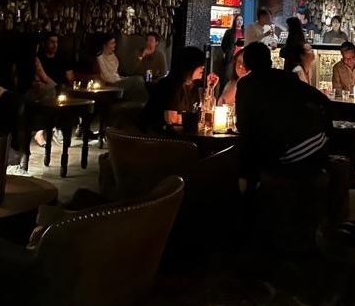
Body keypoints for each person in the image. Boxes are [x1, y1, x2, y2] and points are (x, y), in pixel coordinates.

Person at [235, 41, 332, 186]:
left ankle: (249, 196)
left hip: (289, 152)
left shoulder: (246, 84)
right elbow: (322, 99)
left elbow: (243, 125)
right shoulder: (287, 77)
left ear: (247, 64)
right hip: (317, 143)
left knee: (248, 151)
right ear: (269, 61)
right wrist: (327, 130)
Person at [138, 46, 219, 133]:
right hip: (156, 137)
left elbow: (203, 112)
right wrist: (192, 119)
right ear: (188, 65)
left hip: (180, 136)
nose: (202, 67)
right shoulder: (170, 85)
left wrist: (210, 88)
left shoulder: (195, 85)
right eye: (199, 64)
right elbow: (170, 119)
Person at [95, 34, 147, 103]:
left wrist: (123, 78)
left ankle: (140, 103)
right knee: (137, 79)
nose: (115, 45)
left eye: (114, 43)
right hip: (111, 83)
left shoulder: (113, 56)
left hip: (118, 80)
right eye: (112, 43)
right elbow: (106, 76)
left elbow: (116, 72)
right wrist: (119, 80)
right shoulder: (100, 58)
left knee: (139, 82)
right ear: (105, 45)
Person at [221, 14, 244, 83]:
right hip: (231, 56)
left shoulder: (245, 32)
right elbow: (223, 45)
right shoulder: (229, 32)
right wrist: (227, 51)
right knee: (228, 75)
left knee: (240, 75)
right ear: (234, 21)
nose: (240, 21)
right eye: (238, 20)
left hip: (241, 57)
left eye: (241, 20)